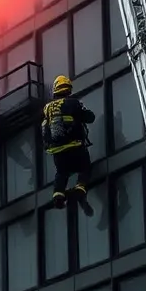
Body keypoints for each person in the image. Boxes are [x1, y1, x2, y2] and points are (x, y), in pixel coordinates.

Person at [41, 75, 96, 211]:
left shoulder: (47, 108)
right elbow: (89, 117)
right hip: (75, 145)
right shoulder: (73, 103)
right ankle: (80, 188)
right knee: (85, 167)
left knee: (62, 172)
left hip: (56, 150)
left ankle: (58, 195)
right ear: (68, 89)